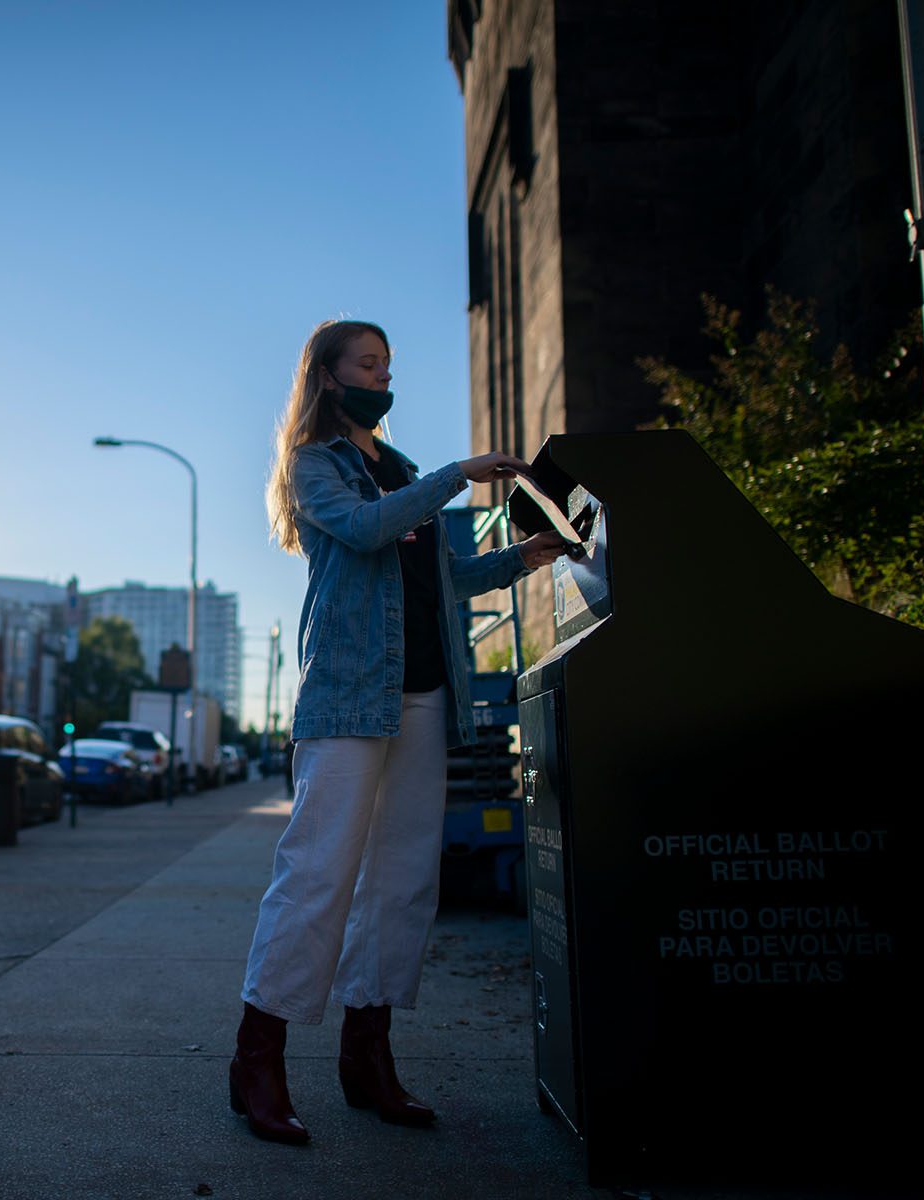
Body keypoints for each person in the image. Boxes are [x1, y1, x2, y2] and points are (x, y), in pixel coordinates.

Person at [229, 319, 571, 1145]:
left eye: (389, 365)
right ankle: (258, 1061)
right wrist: (460, 475)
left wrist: (528, 554)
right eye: (368, 364)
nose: (384, 378)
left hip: (423, 696)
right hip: (349, 699)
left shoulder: (404, 472)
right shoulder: (317, 466)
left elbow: (444, 578)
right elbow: (367, 531)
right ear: (327, 376)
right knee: (317, 875)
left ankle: (366, 1057)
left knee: (402, 886)